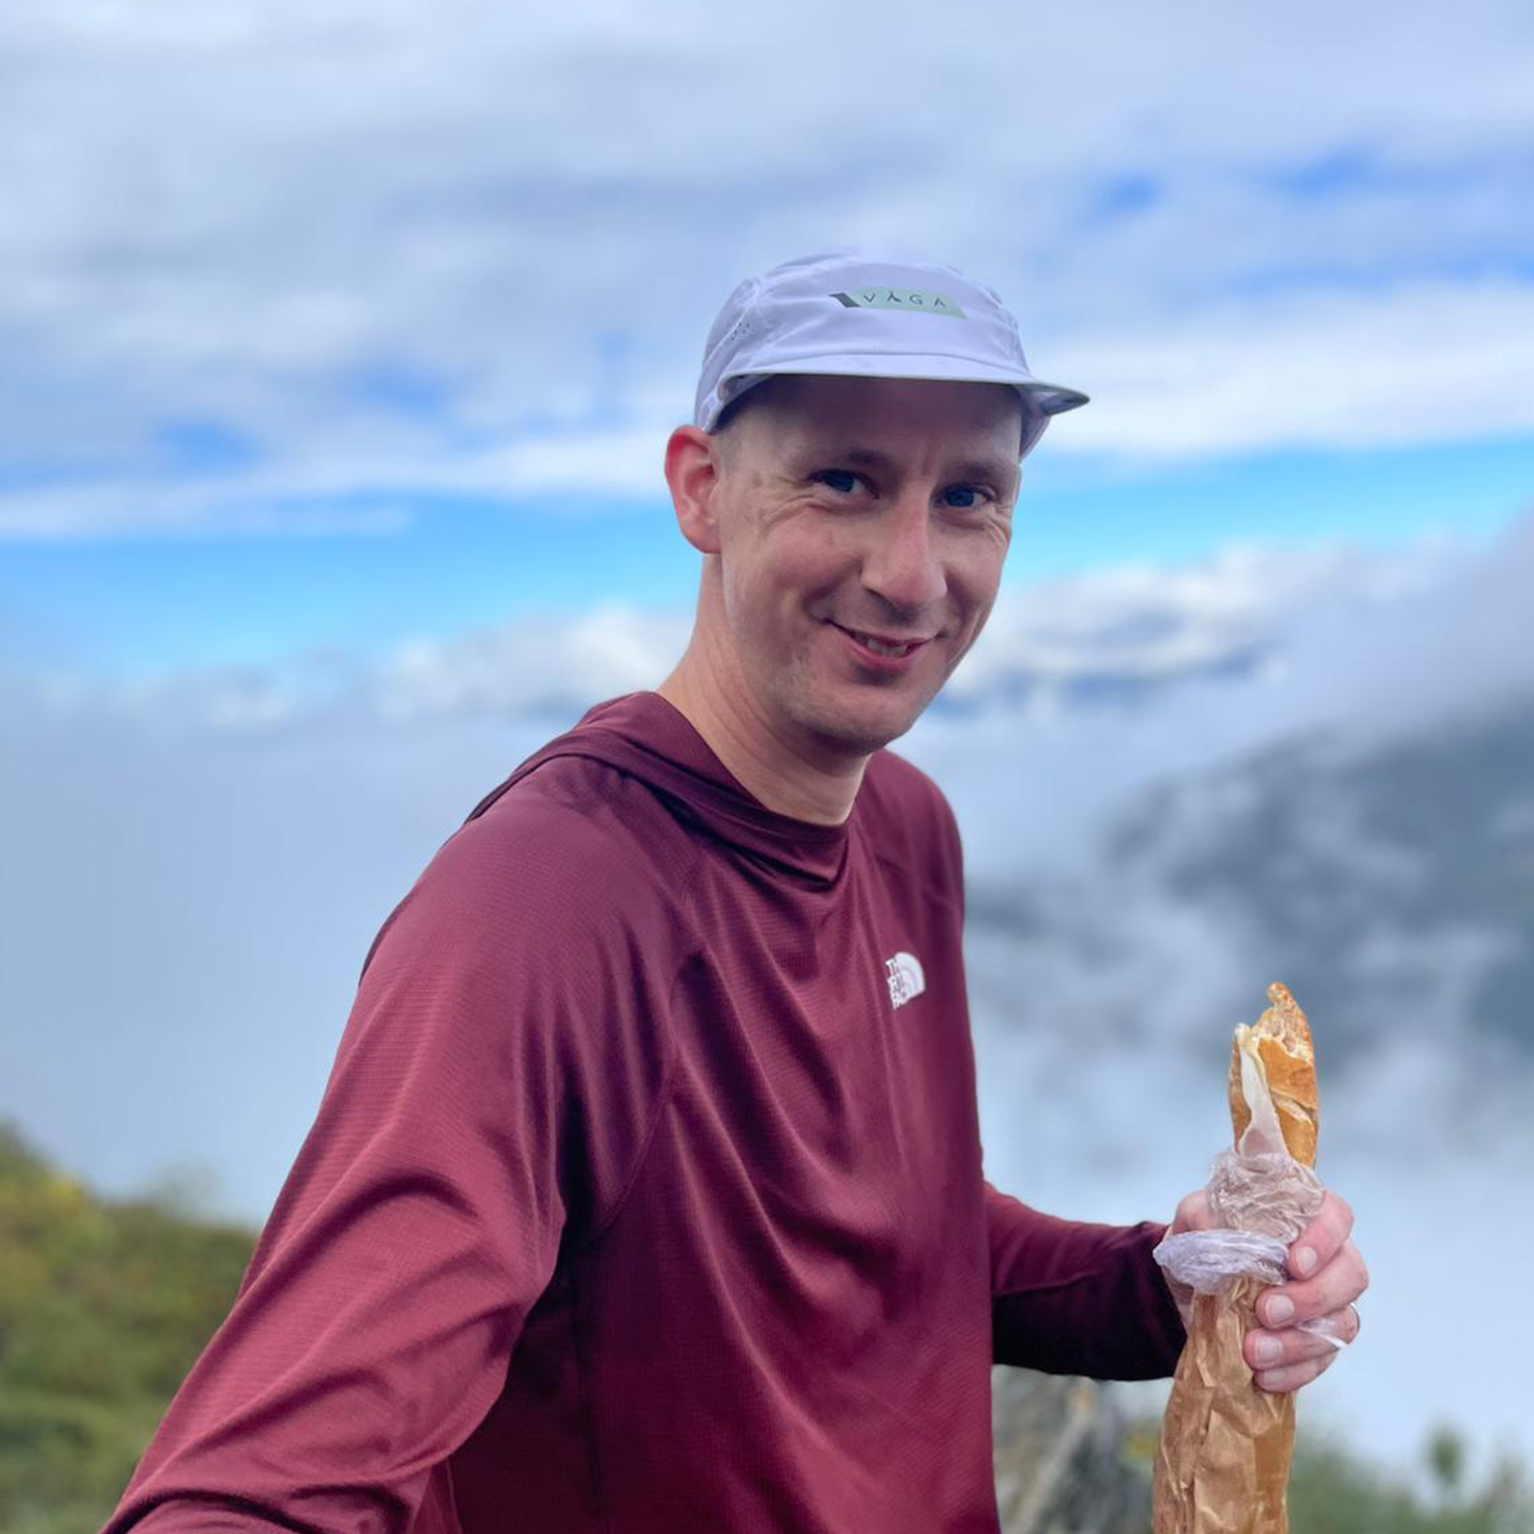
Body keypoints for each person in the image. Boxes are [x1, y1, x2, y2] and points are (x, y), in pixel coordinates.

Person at [103, 251, 1367, 1534]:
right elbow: (271, 1472)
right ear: (700, 489)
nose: (913, 572)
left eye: (969, 495)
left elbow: (894, 1234)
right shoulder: (546, 903)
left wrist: (1162, 1285)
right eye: (843, 480)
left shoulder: (904, 827)